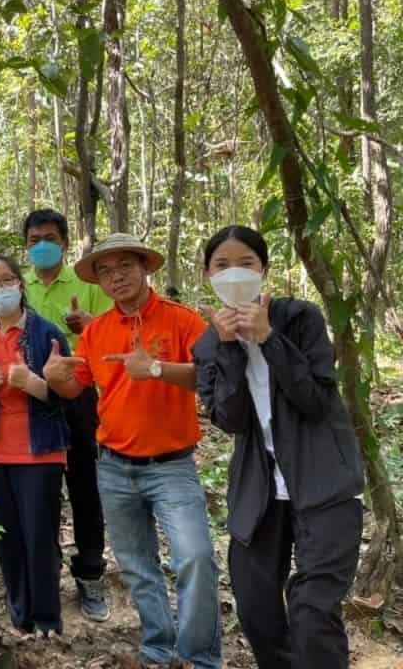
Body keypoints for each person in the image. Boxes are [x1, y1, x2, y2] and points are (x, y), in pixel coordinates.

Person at [44, 233, 221, 669]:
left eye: (125, 265)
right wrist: (53, 375)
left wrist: (157, 368)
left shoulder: (182, 320)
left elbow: (212, 376)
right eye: (105, 270)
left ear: (145, 268)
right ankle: (158, 652)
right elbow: (76, 384)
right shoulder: (98, 330)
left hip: (172, 465)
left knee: (195, 559)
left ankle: (199, 659)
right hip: (114, 467)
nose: (116, 276)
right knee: (138, 567)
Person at [193, 226, 363, 669]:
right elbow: (230, 419)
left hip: (322, 482)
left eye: (246, 263)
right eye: (222, 265)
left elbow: (314, 399)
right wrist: (230, 349)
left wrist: (268, 337)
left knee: (311, 609)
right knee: (256, 611)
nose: (234, 274)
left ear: (264, 270)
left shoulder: (299, 318)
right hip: (259, 490)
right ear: (206, 274)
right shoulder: (209, 343)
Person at [0, 256, 71, 637]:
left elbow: (69, 394)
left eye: (6, 280)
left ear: (20, 285)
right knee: (5, 540)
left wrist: (33, 382)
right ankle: (20, 616)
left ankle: (48, 621)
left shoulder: (46, 334)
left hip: (39, 453)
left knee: (40, 538)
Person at [21, 208, 111, 621]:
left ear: (64, 241)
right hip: (32, 399)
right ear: (26, 246)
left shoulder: (88, 285)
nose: (42, 245)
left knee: (84, 487)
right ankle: (46, 574)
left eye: (50, 237)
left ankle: (91, 576)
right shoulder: (17, 287)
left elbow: (114, 335)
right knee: (40, 489)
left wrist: (88, 326)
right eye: (35, 238)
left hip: (79, 397)